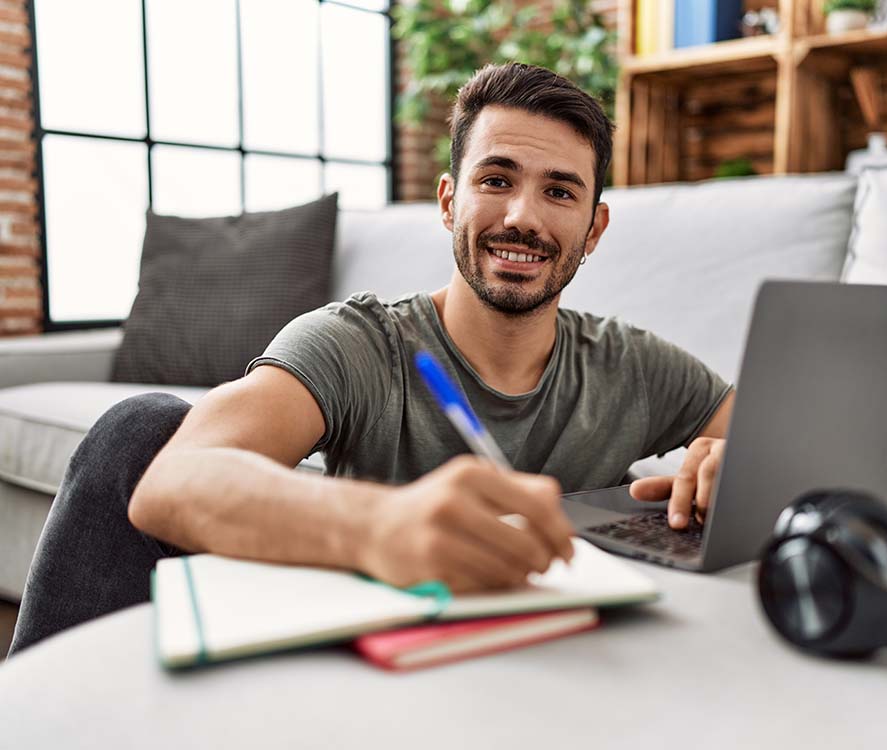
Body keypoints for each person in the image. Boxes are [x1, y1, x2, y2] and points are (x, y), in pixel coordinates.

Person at [10, 62, 733, 655]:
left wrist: (727, 459)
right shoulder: (357, 342)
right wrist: (380, 525)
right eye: (496, 180)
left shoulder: (634, 364)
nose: (522, 217)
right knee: (139, 424)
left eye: (560, 192)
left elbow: (767, 441)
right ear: (448, 201)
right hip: (379, 679)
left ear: (594, 228)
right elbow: (173, 481)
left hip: (562, 677)